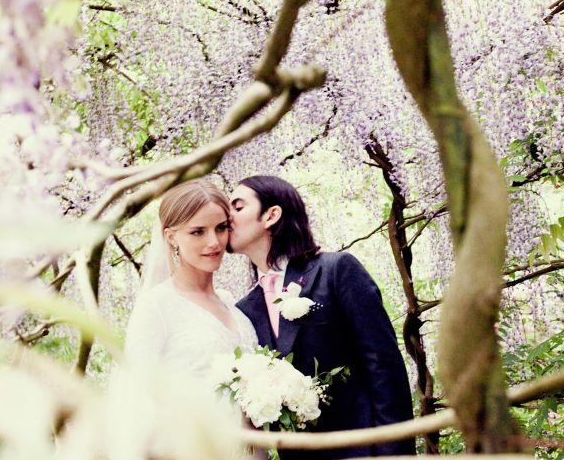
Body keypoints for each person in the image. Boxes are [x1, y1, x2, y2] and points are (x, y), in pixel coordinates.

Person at [229, 175, 416, 459]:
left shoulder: (336, 270)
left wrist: (394, 453)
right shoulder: (245, 309)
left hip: (365, 449)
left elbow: (384, 366)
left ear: (271, 215)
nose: (227, 216)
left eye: (238, 206)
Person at [124, 179, 258, 381]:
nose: (214, 242)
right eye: (198, 232)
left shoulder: (229, 301)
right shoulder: (156, 306)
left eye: (221, 228)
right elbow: (136, 388)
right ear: (171, 237)